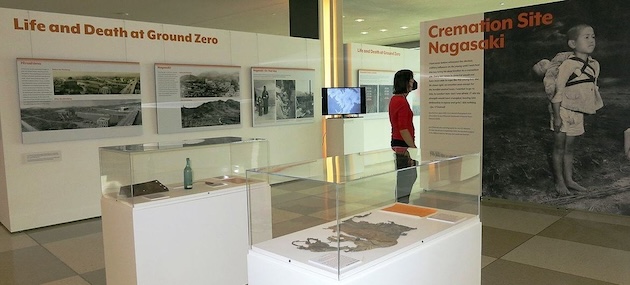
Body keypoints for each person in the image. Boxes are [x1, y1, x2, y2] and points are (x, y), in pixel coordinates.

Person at [550, 24, 602, 195]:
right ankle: (559, 182)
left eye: (593, 36)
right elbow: (558, 91)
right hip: (562, 110)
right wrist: (557, 116)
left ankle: (570, 180)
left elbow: (590, 90)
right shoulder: (568, 64)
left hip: (577, 113)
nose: (591, 40)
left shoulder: (595, 65)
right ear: (572, 44)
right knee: (559, 147)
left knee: (570, 148)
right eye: (586, 37)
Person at [389, 69, 418, 203]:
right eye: (411, 79)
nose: (413, 82)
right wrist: (412, 147)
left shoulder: (397, 100)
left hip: (398, 143)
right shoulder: (400, 101)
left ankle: (401, 204)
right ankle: (401, 205)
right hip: (402, 144)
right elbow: (403, 128)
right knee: (407, 177)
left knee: (404, 178)